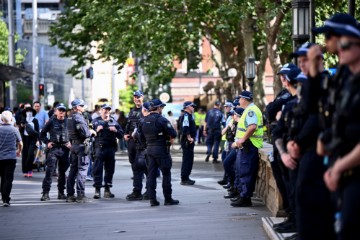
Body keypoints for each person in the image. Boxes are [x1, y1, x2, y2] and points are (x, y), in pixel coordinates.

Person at [319, 19, 360, 240]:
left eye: (346, 45)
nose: (338, 49)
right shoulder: (349, 82)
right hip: (343, 171)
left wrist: (338, 167)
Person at [138, 98, 178, 206]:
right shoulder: (162, 120)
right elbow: (173, 134)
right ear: (159, 107)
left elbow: (140, 137)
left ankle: (152, 200)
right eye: (162, 107)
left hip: (149, 150)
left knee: (151, 175)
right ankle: (168, 199)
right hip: (161, 150)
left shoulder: (144, 120)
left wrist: (146, 145)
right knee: (166, 174)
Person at [231, 91, 263, 207]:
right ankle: (243, 195)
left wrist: (242, 139)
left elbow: (252, 127)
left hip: (250, 145)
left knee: (246, 171)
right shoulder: (250, 110)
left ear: (244, 99)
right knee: (243, 170)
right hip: (247, 145)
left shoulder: (250, 111)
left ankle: (245, 198)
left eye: (240, 99)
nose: (239, 101)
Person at [39, 103, 71, 201]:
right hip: (53, 149)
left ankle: (61, 193)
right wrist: (47, 142)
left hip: (65, 149)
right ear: (56, 111)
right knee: (49, 171)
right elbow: (42, 134)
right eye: (59, 110)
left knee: (62, 172)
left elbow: (74, 134)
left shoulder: (69, 122)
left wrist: (71, 143)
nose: (61, 112)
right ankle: (45, 193)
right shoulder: (51, 122)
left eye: (63, 110)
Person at [66, 99, 95, 203]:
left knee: (73, 170)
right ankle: (80, 194)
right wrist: (91, 131)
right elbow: (85, 133)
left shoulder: (70, 117)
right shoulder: (78, 117)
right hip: (81, 146)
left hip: (74, 145)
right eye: (81, 106)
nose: (83, 107)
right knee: (82, 170)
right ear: (77, 107)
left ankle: (70, 194)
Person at [92, 104, 123, 199]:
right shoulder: (95, 121)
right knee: (98, 169)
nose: (106, 111)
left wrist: (115, 131)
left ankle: (107, 189)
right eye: (104, 109)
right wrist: (96, 130)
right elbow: (89, 133)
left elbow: (121, 135)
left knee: (109, 169)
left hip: (110, 149)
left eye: (108, 110)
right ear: (100, 110)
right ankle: (97, 190)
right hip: (99, 148)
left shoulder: (113, 121)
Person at [126, 102, 151, 201]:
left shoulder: (141, 121)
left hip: (141, 150)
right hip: (151, 149)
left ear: (144, 110)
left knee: (137, 170)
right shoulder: (157, 120)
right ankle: (149, 192)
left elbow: (135, 134)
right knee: (149, 172)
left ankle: (137, 192)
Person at [0, 111, 23, 207]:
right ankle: (6, 198)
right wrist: (19, 151)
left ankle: (3, 196)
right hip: (11, 157)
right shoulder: (14, 130)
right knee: (8, 178)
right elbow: (20, 143)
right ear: (11, 119)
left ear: (1, 119)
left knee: (2, 177)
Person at [124, 90, 144, 177]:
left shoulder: (146, 110)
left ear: (142, 97)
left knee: (142, 157)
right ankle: (136, 174)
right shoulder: (132, 111)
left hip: (142, 138)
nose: (137, 99)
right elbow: (128, 123)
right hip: (131, 138)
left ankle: (142, 174)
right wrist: (125, 134)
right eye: (135, 97)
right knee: (132, 157)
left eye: (138, 97)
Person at [179, 101, 197, 185]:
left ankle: (186, 177)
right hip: (187, 141)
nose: (193, 107)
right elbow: (185, 127)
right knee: (187, 159)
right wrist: (189, 137)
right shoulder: (186, 115)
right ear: (187, 107)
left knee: (189, 159)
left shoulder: (189, 115)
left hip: (188, 140)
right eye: (192, 106)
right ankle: (184, 178)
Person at [20, 106, 40, 178]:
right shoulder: (23, 120)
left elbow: (37, 131)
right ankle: (25, 171)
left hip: (32, 139)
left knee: (31, 154)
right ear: (25, 113)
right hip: (25, 139)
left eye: (30, 112)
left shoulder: (35, 120)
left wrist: (38, 140)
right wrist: (22, 126)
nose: (29, 113)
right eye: (27, 111)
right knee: (24, 155)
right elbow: (20, 131)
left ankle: (30, 169)